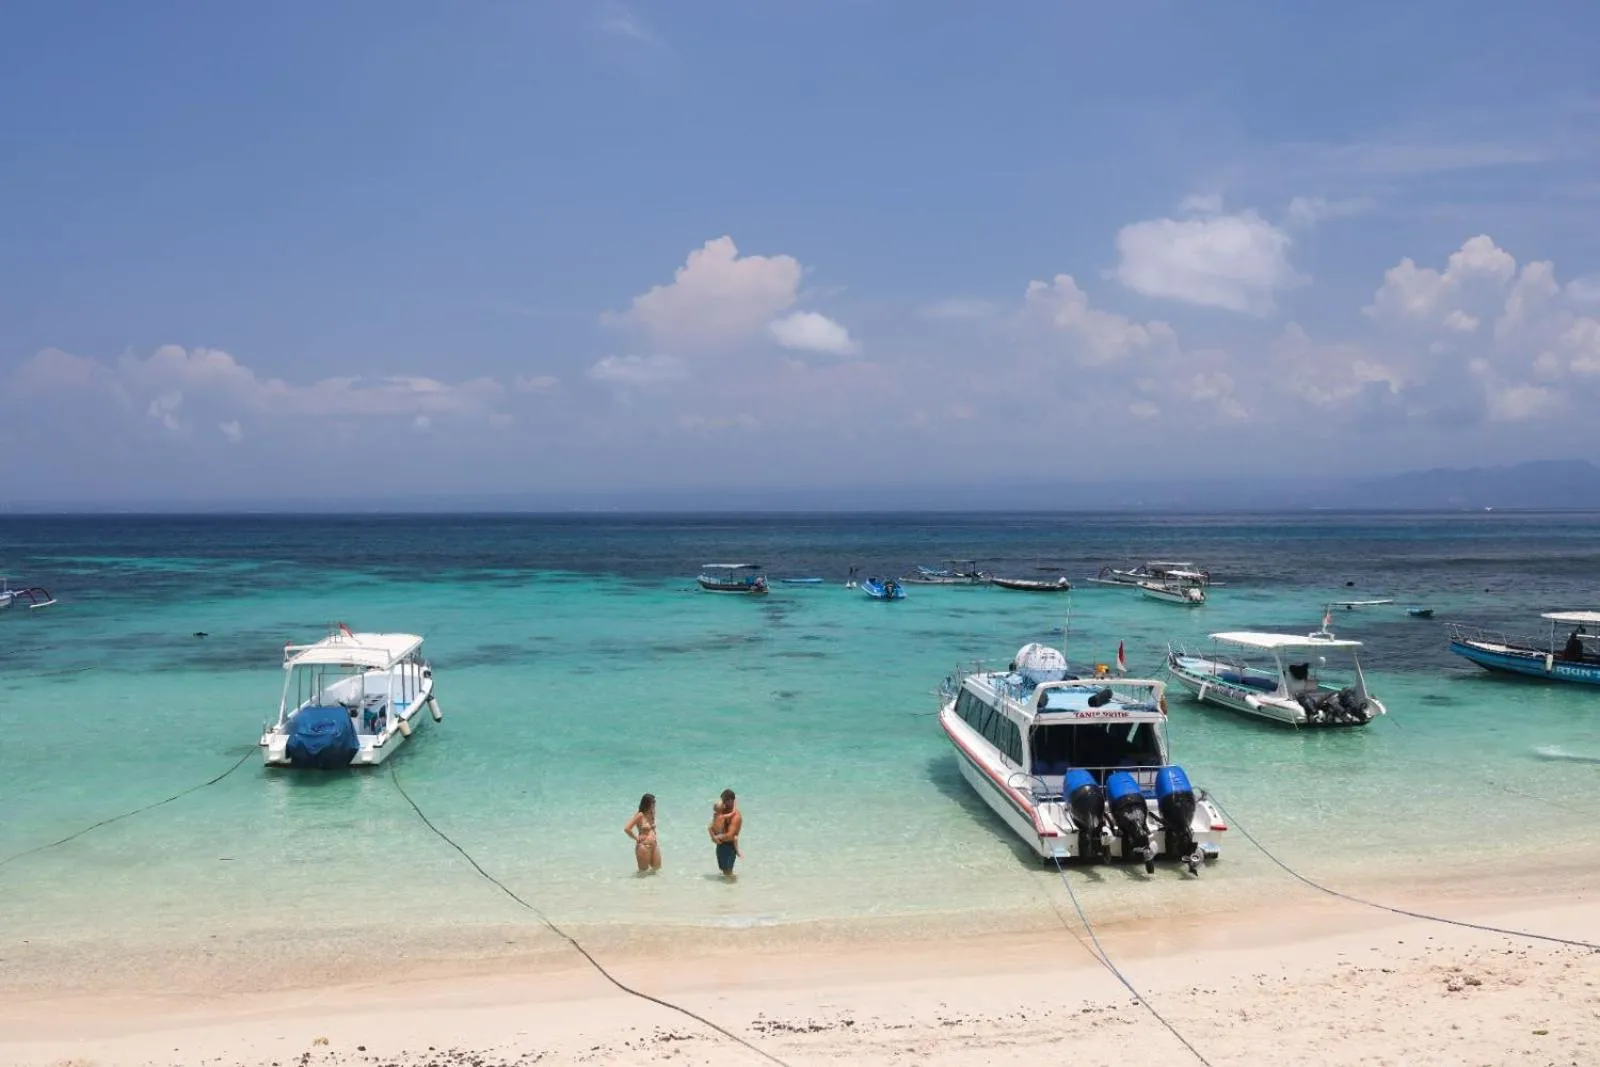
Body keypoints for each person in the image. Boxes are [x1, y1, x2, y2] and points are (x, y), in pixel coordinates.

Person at [624, 793, 661, 873]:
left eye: (654, 802)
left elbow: (652, 828)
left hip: (654, 845)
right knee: (643, 872)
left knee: (657, 869)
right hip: (644, 847)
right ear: (647, 803)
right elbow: (627, 829)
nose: (655, 804)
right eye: (653, 802)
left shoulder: (652, 813)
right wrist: (636, 838)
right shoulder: (640, 815)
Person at [710, 788, 742, 879]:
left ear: (730, 801)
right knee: (724, 870)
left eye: (724, 801)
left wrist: (717, 837)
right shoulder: (723, 812)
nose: (722, 803)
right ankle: (726, 891)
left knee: (728, 872)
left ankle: (731, 889)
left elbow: (730, 836)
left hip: (729, 847)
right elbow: (712, 826)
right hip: (721, 845)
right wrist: (712, 836)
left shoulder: (735, 817)